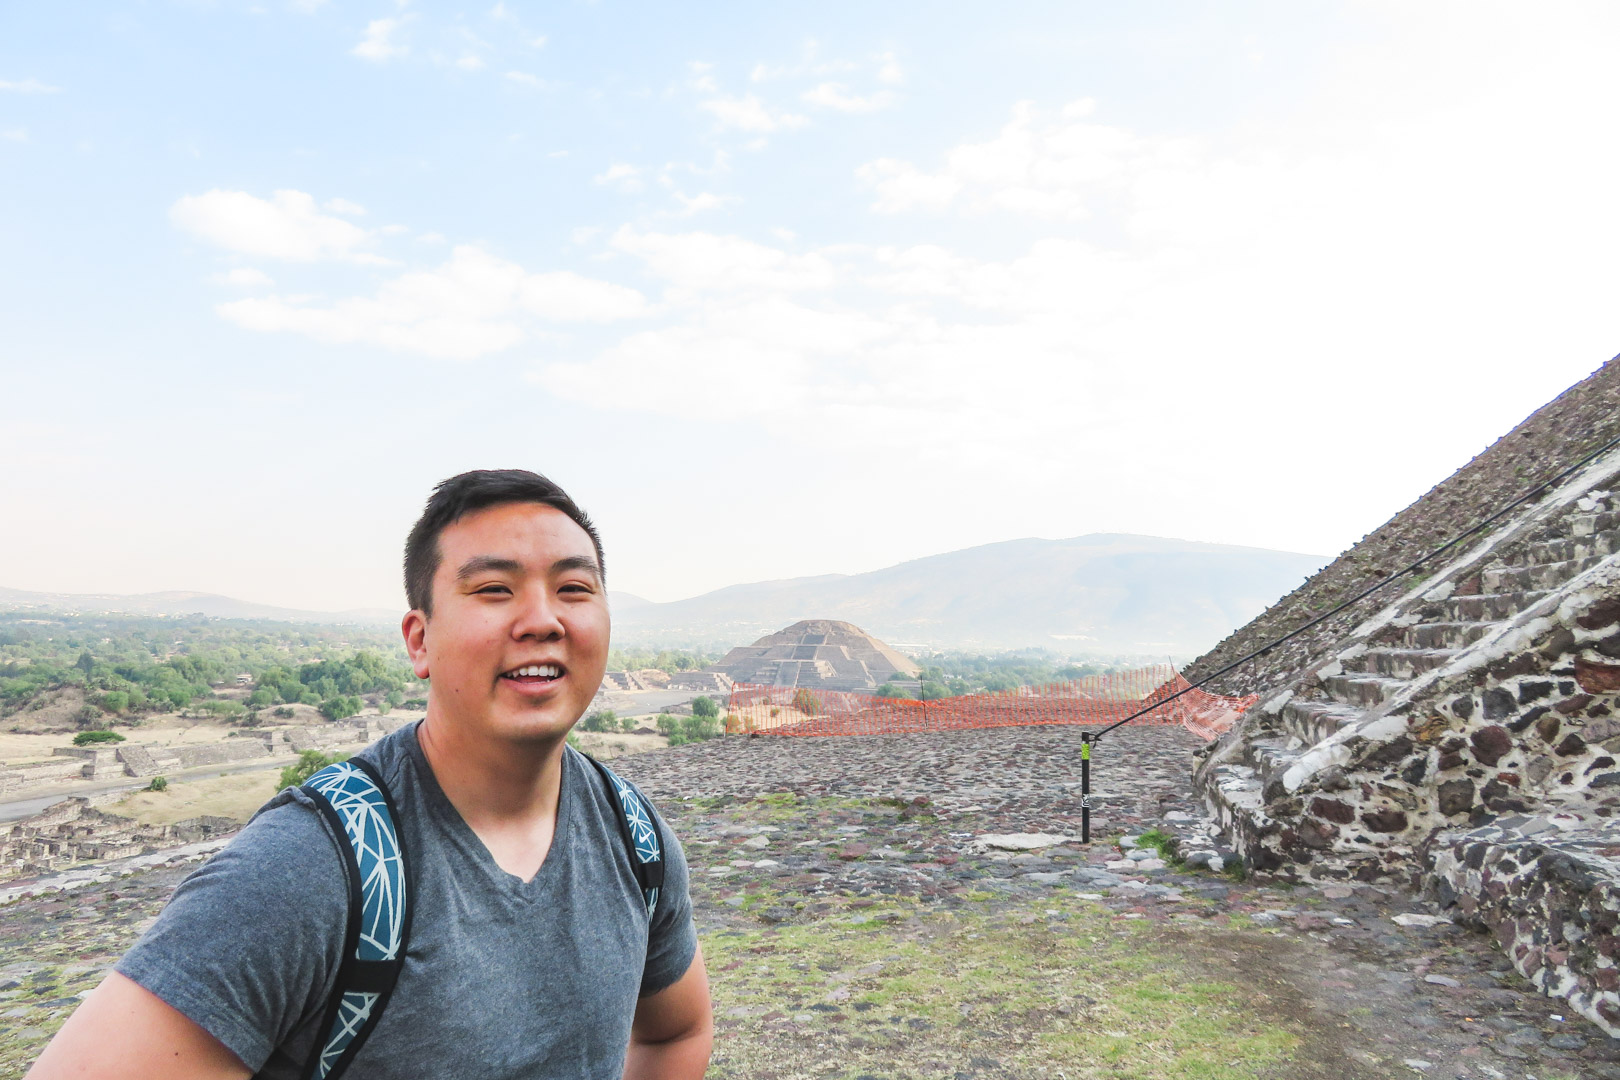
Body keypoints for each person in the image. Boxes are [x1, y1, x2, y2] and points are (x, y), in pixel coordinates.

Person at [27, 469, 712, 1080]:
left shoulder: (634, 837)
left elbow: (677, 1030)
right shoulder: (309, 870)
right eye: (495, 589)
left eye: (574, 587)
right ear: (420, 640)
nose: (542, 618)